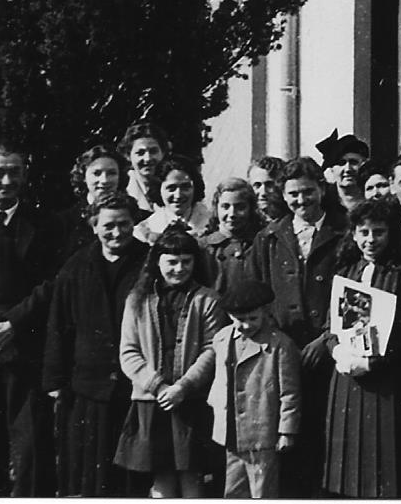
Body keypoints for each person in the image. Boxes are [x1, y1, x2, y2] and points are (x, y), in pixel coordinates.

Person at [244, 156, 348, 497]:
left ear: (321, 188)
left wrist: (327, 338)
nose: (301, 201)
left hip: (331, 351)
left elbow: (355, 289)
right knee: (288, 439)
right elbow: (255, 292)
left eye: (307, 192)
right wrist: (279, 342)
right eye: (293, 195)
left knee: (328, 435)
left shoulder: (343, 231)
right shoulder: (269, 237)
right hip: (282, 354)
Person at [323, 197, 401, 498]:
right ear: (354, 234)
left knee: (389, 471)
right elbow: (331, 326)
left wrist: (373, 363)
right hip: (347, 384)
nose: (370, 240)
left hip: (388, 383)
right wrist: (337, 351)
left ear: (391, 233)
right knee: (348, 469)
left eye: (379, 232)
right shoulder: (346, 272)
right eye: (364, 232)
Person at [44, 192, 149, 497]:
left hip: (136, 385)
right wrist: (56, 380)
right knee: (93, 474)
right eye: (108, 226)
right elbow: (58, 324)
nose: (117, 233)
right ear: (94, 226)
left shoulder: (149, 262)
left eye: (125, 224)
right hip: (89, 386)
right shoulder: (76, 267)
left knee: (134, 475)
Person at [114, 224, 226, 498]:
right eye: (172, 262)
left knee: (192, 476)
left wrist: (183, 387)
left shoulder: (207, 300)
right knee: (161, 477)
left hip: (191, 401)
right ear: (157, 262)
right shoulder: (137, 300)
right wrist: (158, 386)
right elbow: (128, 352)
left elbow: (213, 349)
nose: (179, 268)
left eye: (186, 262)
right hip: (152, 402)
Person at [0, 141, 63, 497]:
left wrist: (12, 324)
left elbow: (52, 284)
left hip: (26, 346)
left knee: (32, 445)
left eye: (14, 171)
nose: (6, 180)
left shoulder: (46, 225)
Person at [206, 279, 300, 499]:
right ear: (229, 316)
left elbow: (290, 392)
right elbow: (220, 380)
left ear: (265, 313)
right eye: (240, 319)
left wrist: (286, 430)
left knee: (262, 491)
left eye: (253, 318)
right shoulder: (222, 338)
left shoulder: (280, 345)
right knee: (234, 490)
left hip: (262, 433)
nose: (247, 325)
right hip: (231, 432)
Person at [56, 145, 148, 260]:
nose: (104, 180)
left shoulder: (141, 218)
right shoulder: (64, 222)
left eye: (112, 173)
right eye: (96, 173)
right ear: (83, 176)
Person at [200, 178, 263, 296]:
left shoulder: (260, 243)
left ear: (251, 208)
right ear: (216, 208)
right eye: (225, 206)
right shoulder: (204, 248)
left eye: (240, 207)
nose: (232, 214)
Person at [134, 154, 212, 242]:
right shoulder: (146, 230)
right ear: (159, 189)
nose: (178, 195)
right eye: (171, 188)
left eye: (185, 187)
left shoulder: (211, 222)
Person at [119, 121, 170, 213]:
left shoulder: (175, 185)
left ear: (163, 153)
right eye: (140, 153)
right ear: (128, 156)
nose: (147, 159)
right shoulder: (122, 190)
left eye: (153, 151)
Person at [315, 129, 369, 213]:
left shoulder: (371, 198)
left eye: (353, 162)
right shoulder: (322, 202)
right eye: (341, 163)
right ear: (332, 169)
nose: (347, 169)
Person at [247, 156, 287, 222]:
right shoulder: (245, 223)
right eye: (257, 185)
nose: (263, 193)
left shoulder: (295, 222)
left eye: (269, 185)